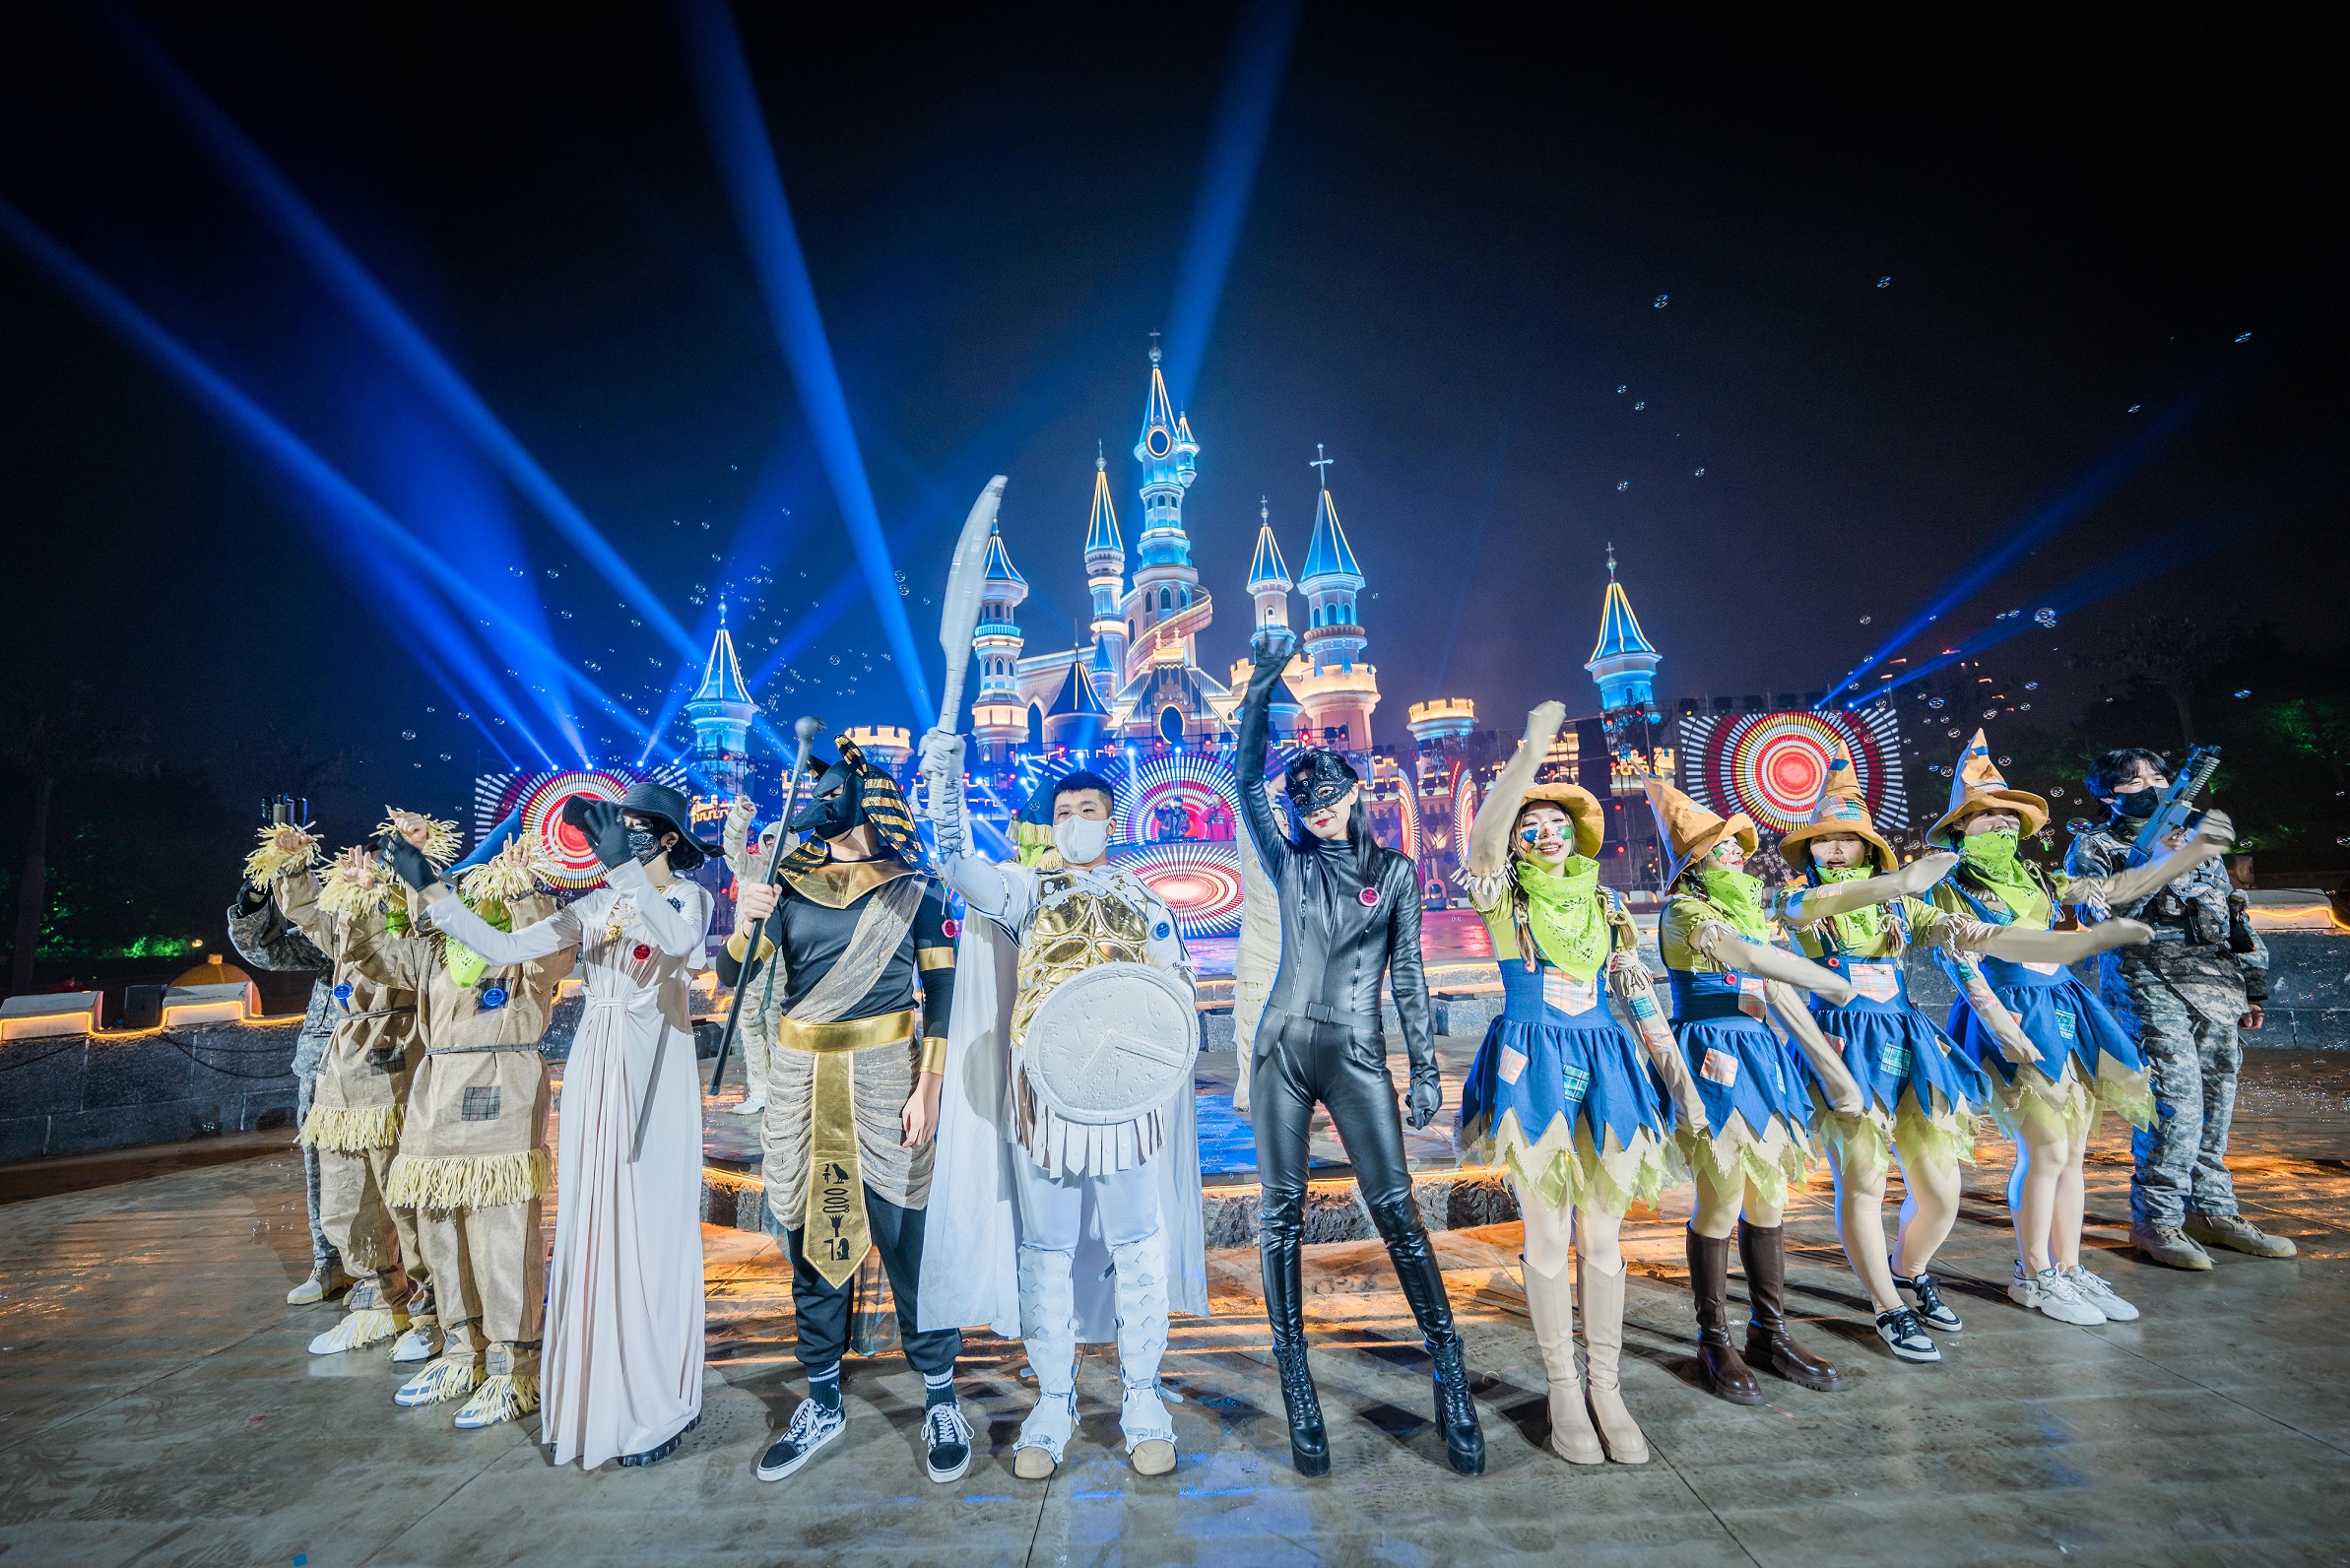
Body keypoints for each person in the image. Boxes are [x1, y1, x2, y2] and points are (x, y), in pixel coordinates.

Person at [1776, 742, 2145, 1362]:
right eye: (1824, 841)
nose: (1835, 849)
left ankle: (1909, 1269)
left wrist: (2057, 940)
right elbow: (1816, 908)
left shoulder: (1903, 906)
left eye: (1849, 840)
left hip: (1905, 1041)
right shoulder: (1799, 900)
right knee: (1864, 1182)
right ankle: (1887, 1306)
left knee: (1942, 1190)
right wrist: (1903, 882)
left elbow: (1967, 934)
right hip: (1841, 1047)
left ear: (1868, 849)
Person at [914, 737, 1208, 1479]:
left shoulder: (1145, 900)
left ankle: (1143, 1397)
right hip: (1044, 1096)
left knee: (1137, 1245)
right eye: (1066, 810)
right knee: (1044, 1249)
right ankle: (1053, 1400)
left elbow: (1176, 994)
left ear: (1111, 820)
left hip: (1127, 1102)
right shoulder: (1025, 890)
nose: (1077, 820)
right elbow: (960, 868)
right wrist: (946, 787)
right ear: (1052, 823)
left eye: (1090, 809)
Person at [409, 783, 713, 1470]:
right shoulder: (596, 904)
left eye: (636, 827)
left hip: (653, 1068)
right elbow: (503, 946)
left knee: (649, 1224)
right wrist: (431, 891)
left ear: (667, 839)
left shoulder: (687, 898)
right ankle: (603, 1392)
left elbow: (681, 946)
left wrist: (625, 870)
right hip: (595, 1064)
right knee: (592, 1217)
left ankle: (663, 1395)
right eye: (617, 825)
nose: (621, 834)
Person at [1234, 643, 1483, 1478]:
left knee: (1398, 1212)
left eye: (1327, 799)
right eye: (1302, 803)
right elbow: (1244, 780)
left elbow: (1409, 977)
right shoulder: (1289, 863)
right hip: (1281, 1050)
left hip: (1357, 1053)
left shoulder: (1397, 875)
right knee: (1279, 1216)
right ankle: (1297, 1385)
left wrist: (1425, 1069)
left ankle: (1449, 1373)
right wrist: (1260, 690)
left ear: (1353, 797)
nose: (1315, 813)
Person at [716, 741, 969, 1487]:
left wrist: (930, 1087)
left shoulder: (915, 889)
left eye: (828, 792)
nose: (814, 802)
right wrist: (745, 920)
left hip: (890, 1078)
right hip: (802, 1082)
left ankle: (940, 1396)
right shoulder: (785, 884)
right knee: (811, 1237)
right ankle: (822, 1400)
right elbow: (733, 973)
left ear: (866, 800)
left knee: (907, 1238)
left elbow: (945, 996)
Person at [1453, 702, 1701, 1464]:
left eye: (1556, 821)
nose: (1544, 832)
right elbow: (1482, 847)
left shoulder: (1607, 906)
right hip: (1532, 1069)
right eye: (1530, 824)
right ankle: (1562, 1389)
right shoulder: (1506, 902)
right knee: (1547, 1231)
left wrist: (1680, 1080)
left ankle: (1606, 1387)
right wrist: (1529, 754)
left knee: (1602, 1234)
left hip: (1607, 1067)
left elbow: (1637, 995)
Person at [1926, 733, 2185, 1327]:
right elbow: (1958, 961)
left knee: (2072, 1154)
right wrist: (2000, 1024)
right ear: (1960, 828)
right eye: (1985, 816)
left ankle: (2068, 1268)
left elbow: (2110, 892)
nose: (2000, 824)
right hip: (2011, 1015)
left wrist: (2168, 857)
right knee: (2043, 1150)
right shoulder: (1950, 883)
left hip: (2064, 1009)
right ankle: (2033, 1274)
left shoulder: (2037, 878)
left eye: (2007, 815)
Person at [1644, 773, 1860, 1405]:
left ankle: (1770, 1331)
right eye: (1719, 847)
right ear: (1693, 863)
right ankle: (1714, 1340)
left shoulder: (1747, 907)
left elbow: (1771, 983)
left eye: (1736, 844)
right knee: (1720, 1198)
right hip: (1713, 1055)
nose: (1735, 853)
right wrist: (1826, 980)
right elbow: (1745, 958)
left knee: (1770, 1199)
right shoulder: (1684, 912)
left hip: (1760, 1055)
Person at [363, 825, 574, 1429]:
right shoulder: (435, 950)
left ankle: (513, 1365)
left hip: (499, 1091)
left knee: (501, 1234)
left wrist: (526, 889)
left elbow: (551, 959)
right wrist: (376, 894)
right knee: (440, 1232)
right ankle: (462, 1352)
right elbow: (377, 957)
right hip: (435, 1097)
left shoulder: (523, 945)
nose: (468, 894)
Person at [2069, 748, 2291, 1268]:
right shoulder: (2094, 845)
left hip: (2216, 981)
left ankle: (2211, 1211)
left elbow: (2232, 914)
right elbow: (2103, 919)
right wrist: (2154, 862)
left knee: (2216, 1100)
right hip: (2147, 980)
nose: (2151, 785)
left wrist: (2252, 985)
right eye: (2134, 780)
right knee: (2176, 1102)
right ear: (2107, 794)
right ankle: (2157, 1217)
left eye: (2158, 776)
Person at [267, 828, 437, 1359]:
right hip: (342, 1069)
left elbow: (425, 927)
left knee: (401, 1194)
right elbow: (306, 913)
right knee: (347, 1194)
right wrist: (294, 865)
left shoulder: (411, 917)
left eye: (375, 871)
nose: (361, 875)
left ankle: (430, 1307)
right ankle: (376, 1300)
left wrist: (414, 863)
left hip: (394, 1056)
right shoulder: (342, 922)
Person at [230, 818, 346, 1306]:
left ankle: (390, 1269)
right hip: (322, 1058)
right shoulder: (330, 929)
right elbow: (268, 950)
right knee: (320, 1164)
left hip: (388, 1057)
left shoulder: (403, 925)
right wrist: (256, 899)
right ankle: (328, 1263)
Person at [721, 799, 786, 1119]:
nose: (772, 845)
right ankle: (759, 1092)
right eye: (768, 840)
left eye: (778, 841)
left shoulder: (798, 877)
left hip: (781, 969)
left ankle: (782, 1094)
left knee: (778, 1031)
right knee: (749, 1028)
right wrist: (740, 817)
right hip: (747, 962)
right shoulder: (753, 867)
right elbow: (733, 850)